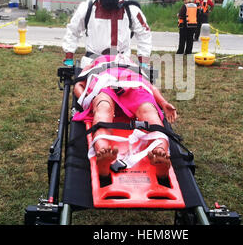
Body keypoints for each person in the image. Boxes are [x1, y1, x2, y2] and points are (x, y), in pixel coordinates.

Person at [73, 53, 178, 182]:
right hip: (106, 85)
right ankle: (104, 153)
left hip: (134, 86)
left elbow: (149, 85)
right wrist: (86, 99)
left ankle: (159, 153)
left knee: (146, 110)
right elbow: (79, 84)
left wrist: (163, 103)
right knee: (106, 108)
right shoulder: (93, 64)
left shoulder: (132, 63)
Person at [62, 0, 152, 69]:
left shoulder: (131, 10)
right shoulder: (87, 8)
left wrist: (144, 61)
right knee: (81, 85)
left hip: (123, 63)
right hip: (92, 63)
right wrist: (69, 57)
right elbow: (73, 31)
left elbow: (144, 33)